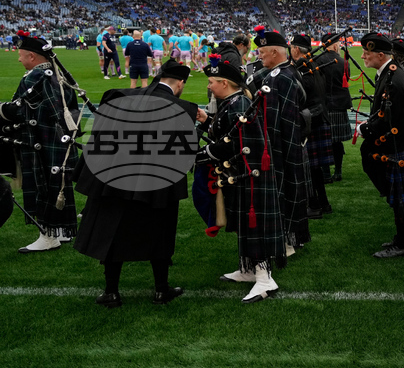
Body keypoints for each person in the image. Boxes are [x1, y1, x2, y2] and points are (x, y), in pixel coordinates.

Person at [75, 59, 199, 308]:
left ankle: (111, 292)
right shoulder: (183, 108)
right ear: (180, 83)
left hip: (114, 177)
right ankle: (161, 290)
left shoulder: (119, 95)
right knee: (160, 233)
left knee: (113, 232)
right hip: (156, 184)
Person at [198, 55, 285, 303]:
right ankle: (249, 269)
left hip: (250, 175)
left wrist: (202, 154)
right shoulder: (234, 102)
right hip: (241, 174)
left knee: (254, 226)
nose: (209, 86)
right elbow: (227, 131)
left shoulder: (238, 104)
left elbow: (234, 144)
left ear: (224, 83)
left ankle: (265, 279)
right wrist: (207, 121)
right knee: (245, 224)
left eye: (212, 82)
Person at [0, 31, 80, 252]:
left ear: (32, 56)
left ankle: (48, 236)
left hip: (41, 142)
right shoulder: (58, 75)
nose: (19, 59)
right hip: (60, 140)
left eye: (21, 55)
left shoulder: (35, 76)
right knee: (59, 186)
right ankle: (61, 230)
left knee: (43, 186)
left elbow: (19, 109)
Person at [246, 30, 312, 255]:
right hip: (287, 142)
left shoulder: (280, 76)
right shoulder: (284, 72)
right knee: (289, 191)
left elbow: (278, 119)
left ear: (275, 52)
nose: (259, 56)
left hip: (282, 144)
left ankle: (287, 241)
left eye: (262, 52)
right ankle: (290, 238)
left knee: (285, 191)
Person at [358, 33, 404, 258]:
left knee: (401, 199)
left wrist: (365, 129)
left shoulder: (392, 77)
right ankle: (402, 238)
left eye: (367, 53)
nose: (363, 56)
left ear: (381, 55)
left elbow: (387, 117)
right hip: (398, 143)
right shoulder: (391, 72)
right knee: (399, 198)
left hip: (396, 145)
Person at [289, 34, 332, 218]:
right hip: (318, 117)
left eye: (292, 47)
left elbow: (302, 93)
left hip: (310, 120)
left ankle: (315, 205)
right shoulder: (313, 65)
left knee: (309, 168)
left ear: (296, 49)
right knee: (315, 169)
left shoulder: (302, 68)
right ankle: (323, 203)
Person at [314, 32, 352, 183]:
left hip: (322, 106)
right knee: (337, 142)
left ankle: (325, 173)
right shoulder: (343, 62)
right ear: (335, 45)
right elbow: (347, 79)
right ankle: (338, 171)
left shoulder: (317, 60)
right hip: (339, 105)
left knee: (323, 141)